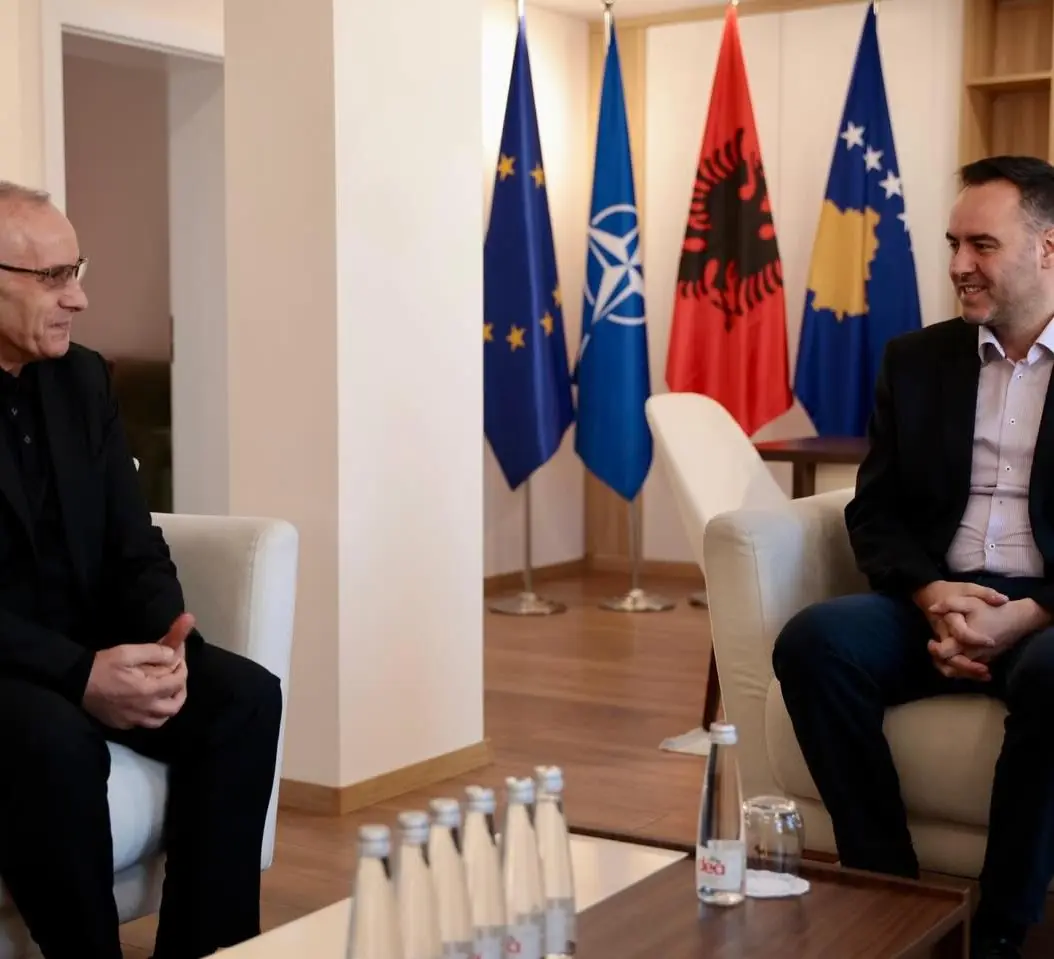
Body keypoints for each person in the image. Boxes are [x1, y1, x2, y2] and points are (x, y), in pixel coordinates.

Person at [773, 154, 1054, 959]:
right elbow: (876, 510)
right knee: (814, 643)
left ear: (1048, 248)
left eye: (983, 245)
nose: (959, 264)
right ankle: (892, 896)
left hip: (1046, 611)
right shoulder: (915, 360)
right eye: (953, 244)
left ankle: (999, 928)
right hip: (939, 595)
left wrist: (1025, 616)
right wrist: (932, 595)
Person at [0, 180, 283, 958]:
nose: (79, 297)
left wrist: (167, 641)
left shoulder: (84, 378)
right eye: (53, 277)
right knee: (55, 740)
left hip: (88, 650)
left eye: (77, 270)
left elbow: (134, 539)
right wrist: (80, 675)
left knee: (244, 697)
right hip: (12, 670)